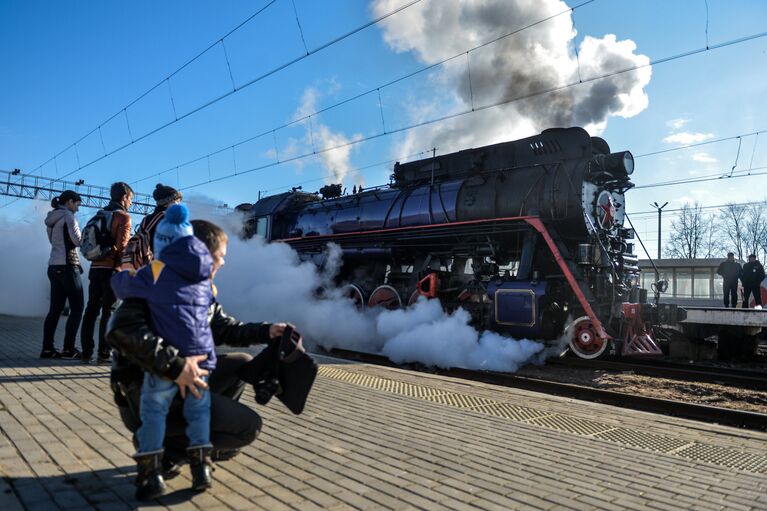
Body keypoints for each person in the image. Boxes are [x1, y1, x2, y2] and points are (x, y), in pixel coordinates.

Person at [106, 219, 289, 493]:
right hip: (142, 393)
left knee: (242, 363)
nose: (224, 263)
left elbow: (225, 328)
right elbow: (120, 329)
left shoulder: (200, 289)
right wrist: (177, 367)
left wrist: (267, 331)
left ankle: (182, 442)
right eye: (221, 256)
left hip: (178, 385)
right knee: (248, 427)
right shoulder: (155, 284)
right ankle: (170, 451)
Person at [112, 205, 215, 499]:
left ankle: (151, 475)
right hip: (201, 362)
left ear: (163, 244)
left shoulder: (155, 271)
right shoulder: (203, 277)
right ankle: (201, 470)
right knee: (199, 415)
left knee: (153, 413)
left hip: (168, 363)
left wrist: (122, 274)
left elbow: (125, 288)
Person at [81, 182, 133, 364]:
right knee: (109, 311)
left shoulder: (99, 215)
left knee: (91, 309)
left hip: (95, 268)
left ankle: (86, 351)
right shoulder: (123, 217)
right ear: (125, 197)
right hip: (112, 270)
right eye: (131, 199)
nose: (131, 204)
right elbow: (122, 247)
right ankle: (104, 353)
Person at [42, 190, 85, 359]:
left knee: (54, 310)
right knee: (77, 308)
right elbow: (77, 241)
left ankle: (47, 349)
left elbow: (53, 242)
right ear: (69, 202)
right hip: (68, 266)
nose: (78, 209)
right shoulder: (68, 216)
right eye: (77, 204)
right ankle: (68, 349)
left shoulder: (51, 218)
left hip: (53, 266)